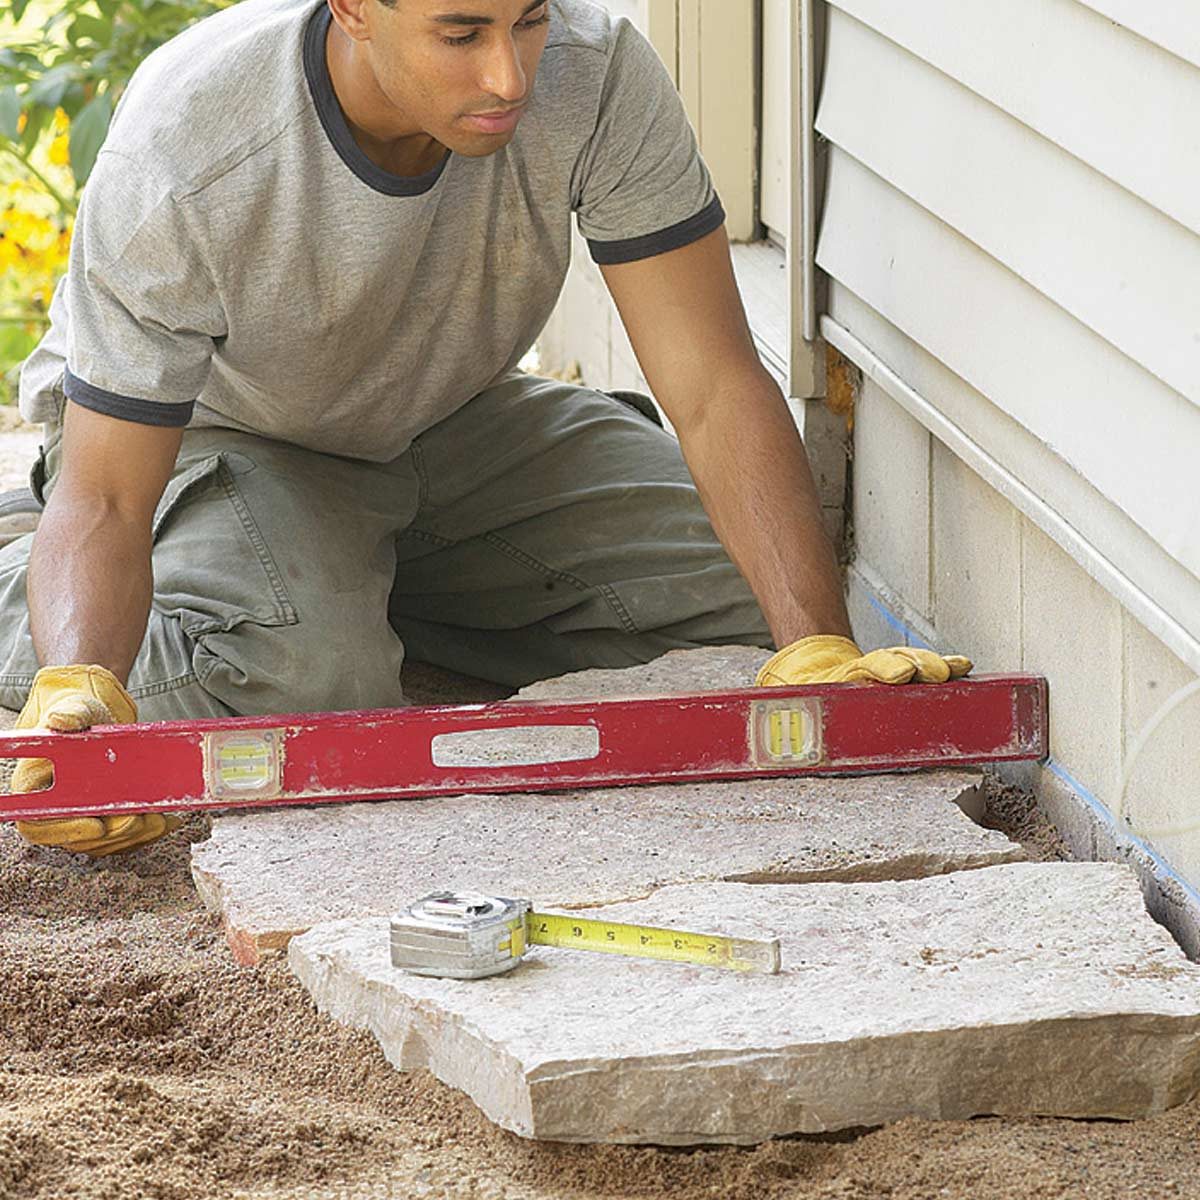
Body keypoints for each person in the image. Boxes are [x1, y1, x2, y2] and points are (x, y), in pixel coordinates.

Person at [0, 0, 968, 858]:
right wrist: (80, 695)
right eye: (461, 32)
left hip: (452, 417)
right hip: (222, 432)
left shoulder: (599, 71)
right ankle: (62, 601)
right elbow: (111, 491)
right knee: (302, 691)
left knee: (740, 599)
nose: (509, 76)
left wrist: (818, 651)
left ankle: (337, 585)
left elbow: (713, 381)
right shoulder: (190, 146)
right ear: (353, 10)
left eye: (530, 20)